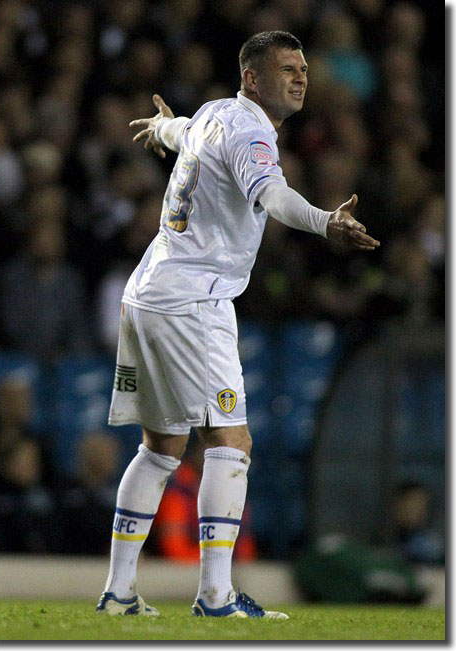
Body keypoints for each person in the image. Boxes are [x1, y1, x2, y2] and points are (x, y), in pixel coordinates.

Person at [96, 30, 380, 619]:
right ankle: (216, 598)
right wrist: (325, 222)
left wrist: (161, 129)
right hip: (196, 303)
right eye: (287, 69)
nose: (301, 77)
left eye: (303, 68)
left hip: (150, 292)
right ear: (253, 77)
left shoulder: (211, 115)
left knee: (161, 448)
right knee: (232, 443)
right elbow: (272, 196)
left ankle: (119, 592)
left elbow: (181, 134)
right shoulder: (252, 131)